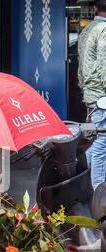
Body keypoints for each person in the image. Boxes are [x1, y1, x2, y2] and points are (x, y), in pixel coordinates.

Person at [78, 0, 106, 190]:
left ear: (95, 8)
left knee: (99, 140)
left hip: (90, 93)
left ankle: (74, 172)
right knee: (102, 142)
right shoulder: (103, 29)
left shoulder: (87, 29)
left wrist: (84, 89)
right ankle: (98, 192)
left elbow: (81, 63)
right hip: (101, 95)